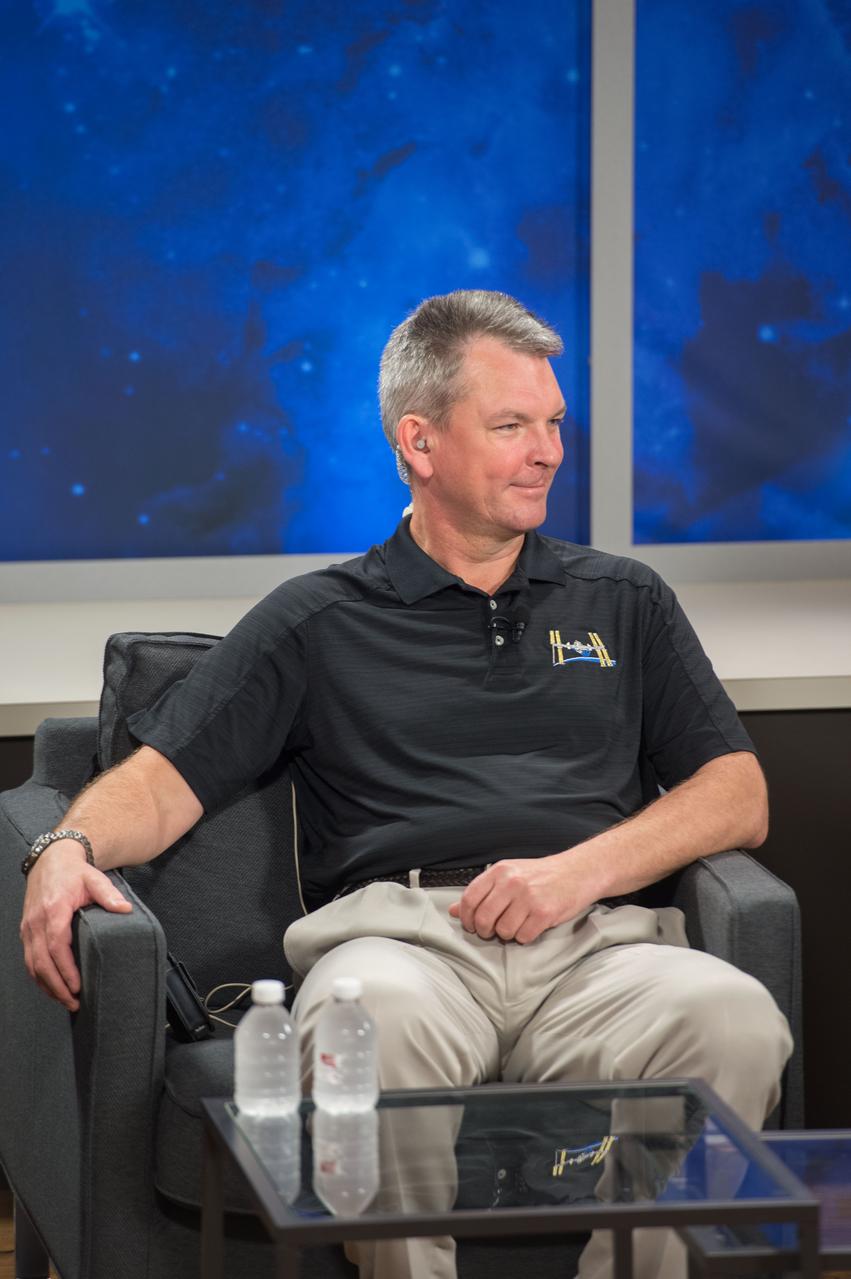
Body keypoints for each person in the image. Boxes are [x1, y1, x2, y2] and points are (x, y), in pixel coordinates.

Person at [20, 290, 792, 1279]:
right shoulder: (318, 617)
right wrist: (65, 849)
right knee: (364, 1025)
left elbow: (736, 793)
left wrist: (576, 872)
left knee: (733, 1017)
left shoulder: (623, 599)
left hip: (597, 949)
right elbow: (161, 782)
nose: (548, 452)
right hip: (405, 945)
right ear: (418, 443)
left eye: (553, 424)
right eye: (511, 426)